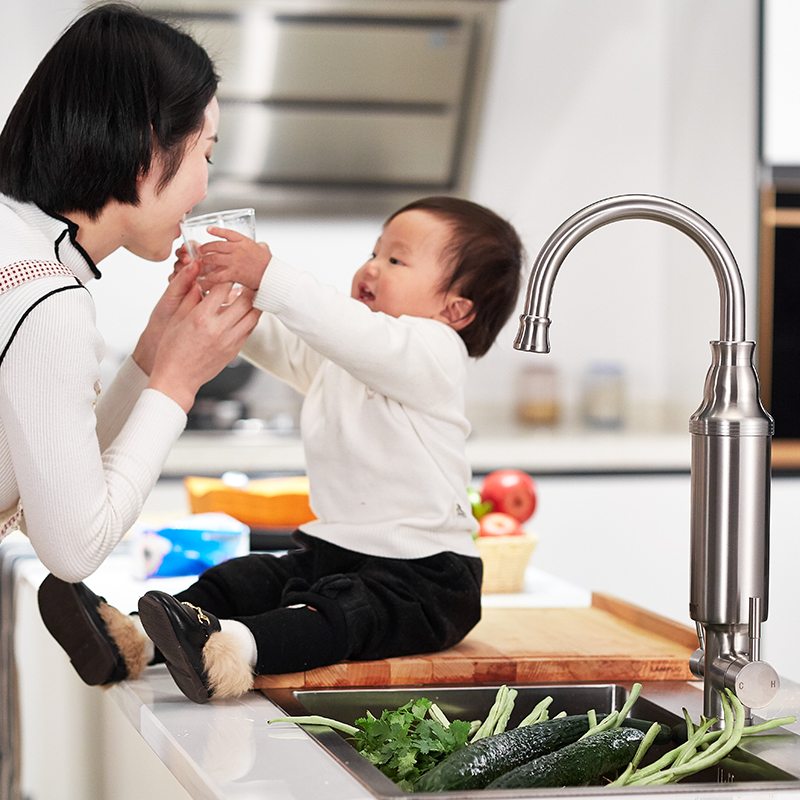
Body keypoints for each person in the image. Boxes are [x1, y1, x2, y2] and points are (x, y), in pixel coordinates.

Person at [39, 196, 523, 702]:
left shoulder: (436, 352)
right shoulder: (350, 363)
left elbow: (353, 332)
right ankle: (136, 638)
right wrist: (225, 291)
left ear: (456, 310)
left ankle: (233, 649)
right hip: (336, 556)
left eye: (396, 260)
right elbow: (285, 344)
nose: (372, 267)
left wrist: (269, 275)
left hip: (426, 577)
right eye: (375, 252)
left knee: (337, 617)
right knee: (242, 580)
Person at [0, 5, 259, 602]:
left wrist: (150, 356)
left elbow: (59, 484)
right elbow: (73, 546)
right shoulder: (46, 299)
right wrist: (178, 381)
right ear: (147, 145)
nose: (205, 186)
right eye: (207, 155)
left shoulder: (25, 252)